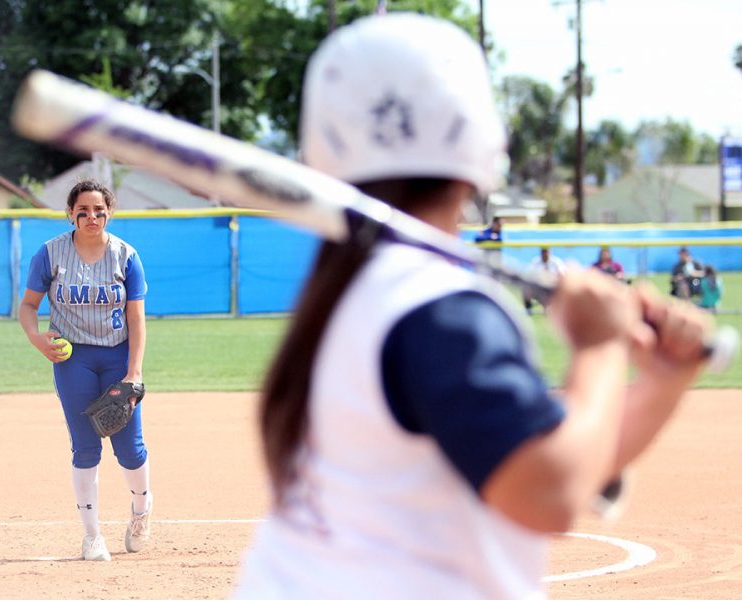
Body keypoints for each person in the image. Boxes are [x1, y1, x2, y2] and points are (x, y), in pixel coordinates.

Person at [233, 13, 713, 599]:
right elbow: (547, 492)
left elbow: (553, 457)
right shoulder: (439, 310)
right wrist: (601, 345)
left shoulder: (351, 292)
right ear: (478, 139)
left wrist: (663, 379)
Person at [18, 179, 152, 562]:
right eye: (84, 209)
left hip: (117, 356)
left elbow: (137, 319)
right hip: (72, 357)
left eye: (99, 210)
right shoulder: (51, 254)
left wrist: (134, 372)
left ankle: (141, 511)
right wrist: (35, 337)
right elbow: (28, 306)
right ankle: (92, 536)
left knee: (129, 448)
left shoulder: (126, 256)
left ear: (109, 213)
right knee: (86, 445)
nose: (91, 216)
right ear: (70, 213)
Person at [523, 246, 566, 314]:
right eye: (543, 252)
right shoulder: (535, 263)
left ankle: (561, 311)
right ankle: (528, 311)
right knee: (526, 290)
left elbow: (563, 276)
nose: (545, 254)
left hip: (552, 289)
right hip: (539, 289)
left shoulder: (556, 263)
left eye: (546, 252)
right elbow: (529, 276)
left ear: (550, 253)